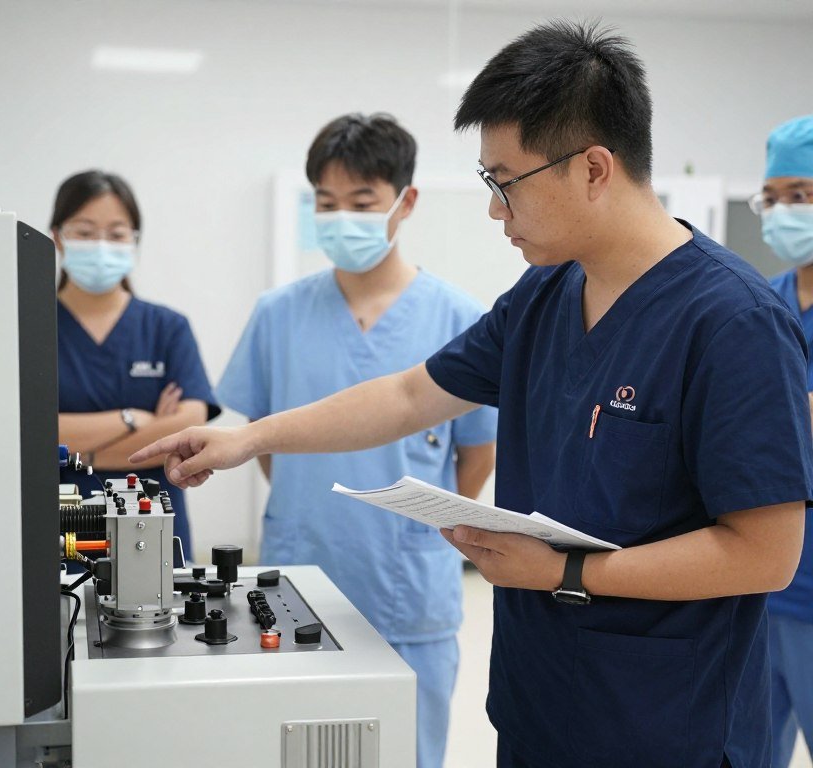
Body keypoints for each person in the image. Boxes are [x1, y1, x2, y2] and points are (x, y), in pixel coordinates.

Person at [132, 21, 813, 768]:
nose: (495, 210)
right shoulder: (546, 295)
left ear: (592, 168)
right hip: (540, 708)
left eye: (505, 182)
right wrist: (249, 440)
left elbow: (765, 555)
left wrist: (565, 571)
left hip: (668, 728)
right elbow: (406, 396)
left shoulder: (734, 322)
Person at [215, 113, 497, 768]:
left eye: (362, 203)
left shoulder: (460, 318)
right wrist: (309, 503)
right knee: (295, 750)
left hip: (408, 588)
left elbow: (476, 452)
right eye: (326, 203)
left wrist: (418, 531)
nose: (341, 219)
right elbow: (262, 443)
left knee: (408, 753)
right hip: (300, 570)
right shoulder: (277, 314)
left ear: (406, 201)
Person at [53, 170, 220, 563]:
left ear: (134, 241)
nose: (101, 245)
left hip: (154, 523)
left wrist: (79, 455)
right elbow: (27, 431)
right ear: (57, 236)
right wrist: (136, 419)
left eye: (116, 233)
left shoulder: (167, 327)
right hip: (60, 524)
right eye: (85, 231)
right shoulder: (28, 324)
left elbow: (189, 424)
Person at [756, 115, 813, 768]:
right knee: (747, 751)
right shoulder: (764, 301)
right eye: (772, 198)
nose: (781, 212)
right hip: (759, 580)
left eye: (800, 195)